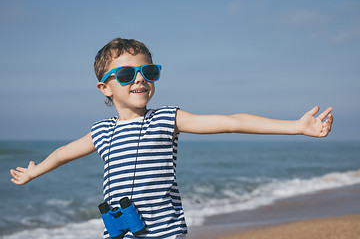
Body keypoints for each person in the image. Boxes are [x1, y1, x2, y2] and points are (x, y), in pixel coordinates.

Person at [10, 38, 333, 239]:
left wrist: (294, 126)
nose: (139, 79)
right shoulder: (102, 132)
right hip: (119, 231)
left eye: (148, 72)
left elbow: (232, 122)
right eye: (125, 75)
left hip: (166, 234)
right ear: (105, 88)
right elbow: (65, 153)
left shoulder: (167, 119)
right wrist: (34, 172)